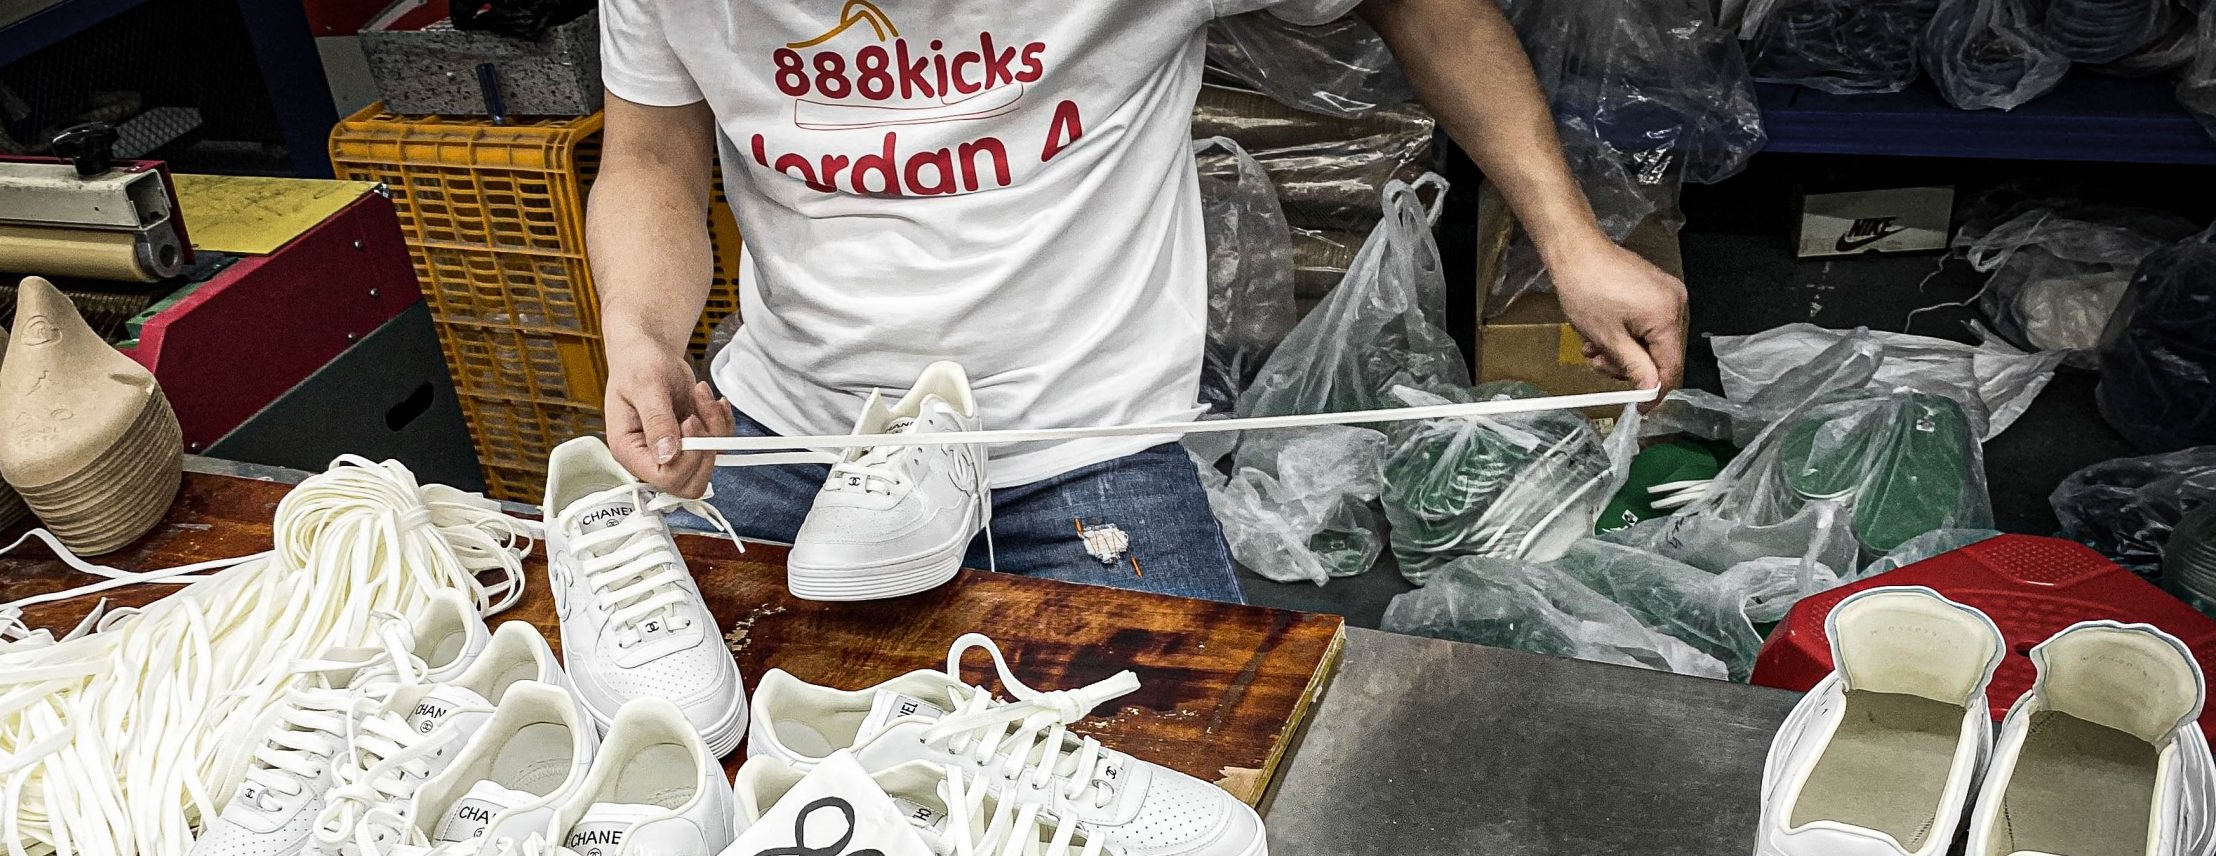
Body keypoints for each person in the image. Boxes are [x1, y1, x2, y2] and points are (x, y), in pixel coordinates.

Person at [586, 0, 1688, 602]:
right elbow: (649, 157)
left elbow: (1426, 10)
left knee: (1183, 806)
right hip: (788, 434)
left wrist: (1571, 240)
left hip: (1082, 445)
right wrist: (638, 336)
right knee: (698, 796)